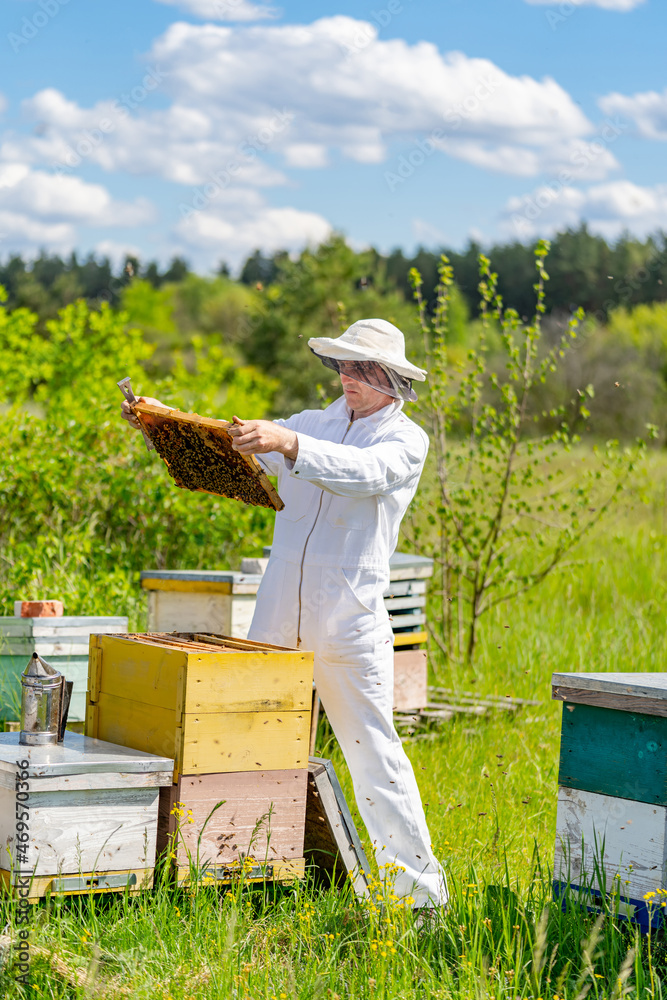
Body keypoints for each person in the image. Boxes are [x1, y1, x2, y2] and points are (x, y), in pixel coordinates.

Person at [121, 317, 447, 912]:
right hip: (276, 614)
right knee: (245, 744)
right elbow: (236, 443)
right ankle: (243, 874)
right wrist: (165, 419)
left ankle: (418, 898)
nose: (350, 376)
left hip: (349, 621)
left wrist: (287, 443)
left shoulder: (405, 440)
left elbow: (362, 475)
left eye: (365, 368)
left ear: (394, 378)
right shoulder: (311, 423)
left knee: (373, 752)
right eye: (345, 365)